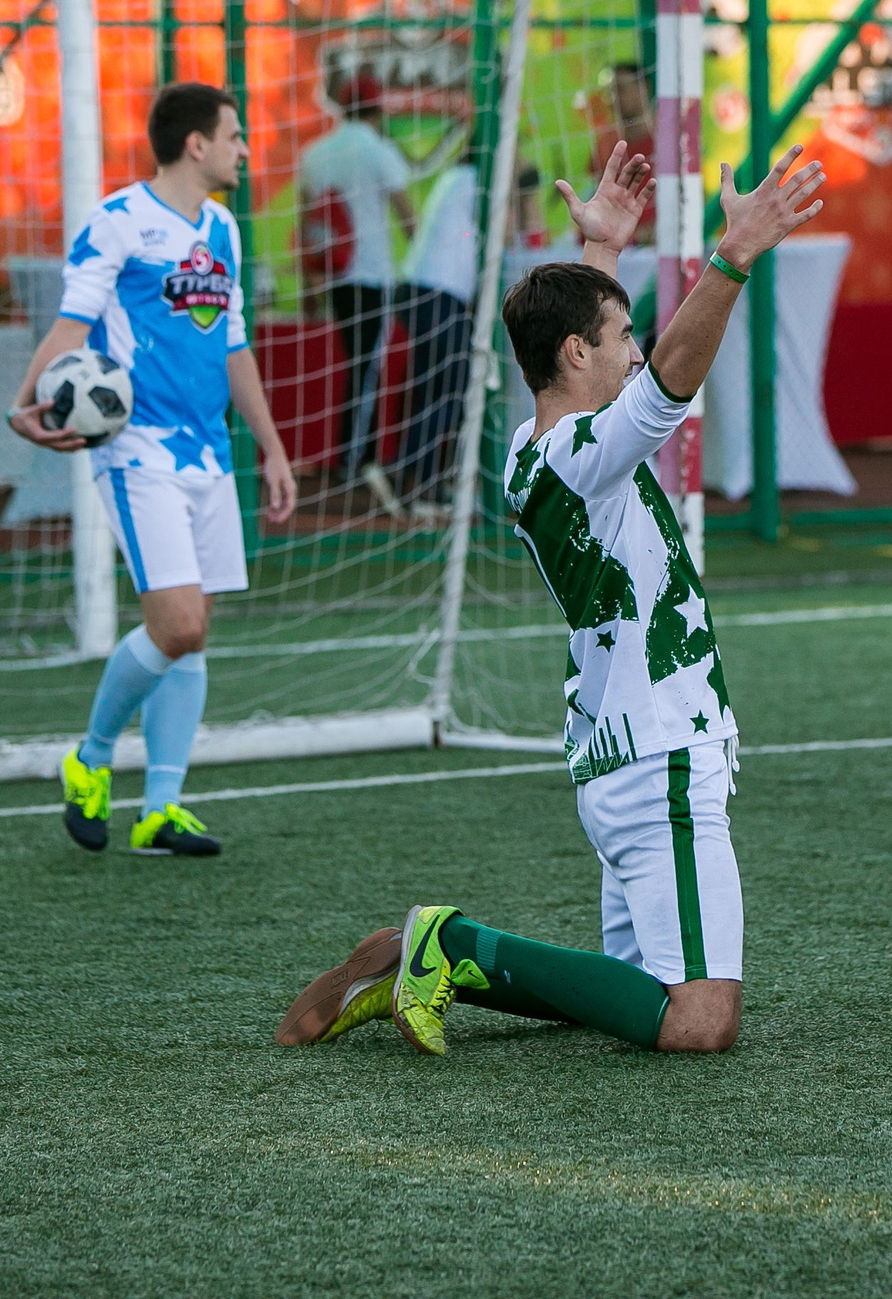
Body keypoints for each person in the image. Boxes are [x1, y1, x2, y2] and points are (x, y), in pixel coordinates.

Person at [275, 141, 824, 1058]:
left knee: (634, 996)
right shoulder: (580, 454)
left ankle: (424, 956)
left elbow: (600, 362)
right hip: (657, 751)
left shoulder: (537, 451)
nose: (637, 349)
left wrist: (599, 250)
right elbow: (669, 382)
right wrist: (733, 255)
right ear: (577, 352)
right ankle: (448, 942)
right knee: (698, 1020)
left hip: (619, 750)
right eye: (623, 334)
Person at [11, 83, 296, 858]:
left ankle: (160, 808)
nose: (245, 150)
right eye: (234, 136)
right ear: (196, 144)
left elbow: (233, 342)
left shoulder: (223, 228)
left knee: (192, 640)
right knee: (179, 624)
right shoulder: (118, 220)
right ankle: (91, 756)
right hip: (138, 449)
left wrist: (270, 446)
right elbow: (71, 325)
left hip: (209, 451)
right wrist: (22, 401)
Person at [295, 72, 413, 510]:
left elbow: (306, 223)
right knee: (367, 366)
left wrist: (309, 284)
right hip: (373, 274)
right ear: (377, 110)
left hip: (335, 276)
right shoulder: (378, 151)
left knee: (356, 363)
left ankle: (355, 457)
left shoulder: (316, 154)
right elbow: (407, 216)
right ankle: (356, 461)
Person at [388, 156, 482, 519]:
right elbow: (511, 229)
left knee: (436, 388)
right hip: (438, 293)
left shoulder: (456, 177)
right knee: (451, 386)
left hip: (423, 288)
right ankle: (418, 479)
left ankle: (413, 475)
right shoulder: (476, 180)